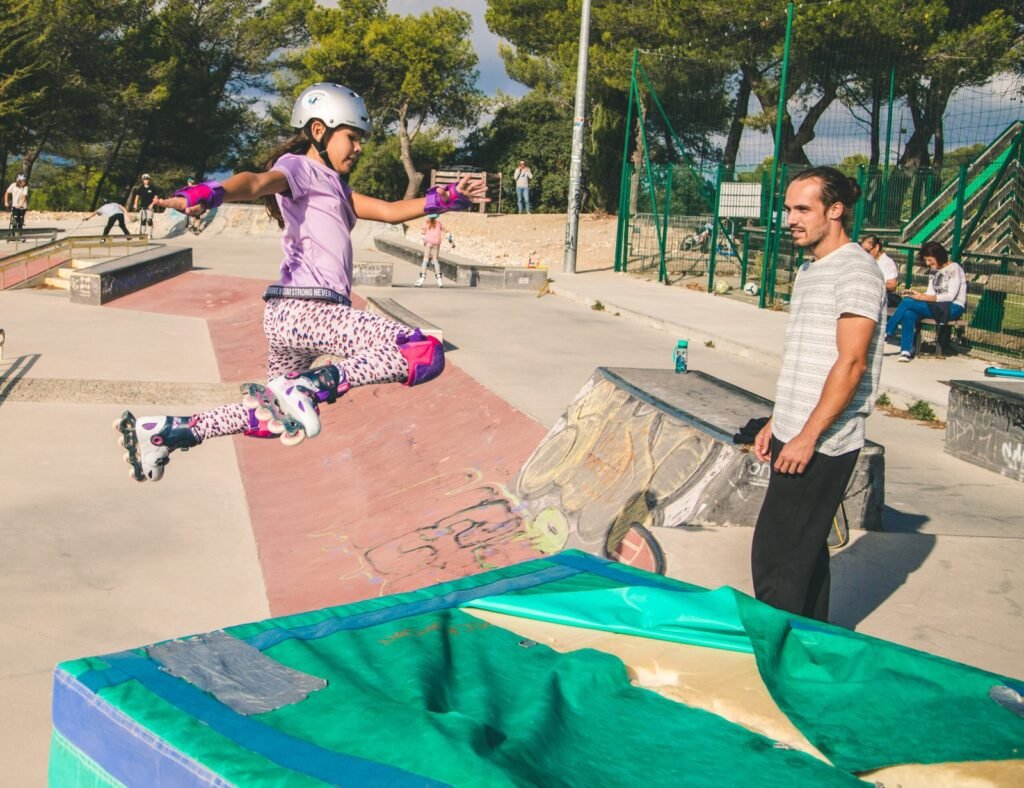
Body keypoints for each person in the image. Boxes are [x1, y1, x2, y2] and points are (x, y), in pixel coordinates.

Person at [115, 82, 488, 482]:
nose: (359, 148)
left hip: (285, 320)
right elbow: (256, 182)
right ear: (318, 131)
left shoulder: (339, 189)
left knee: (273, 414)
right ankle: (312, 386)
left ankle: (169, 432)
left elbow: (392, 211)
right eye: (351, 137)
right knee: (423, 352)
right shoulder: (298, 167)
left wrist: (447, 198)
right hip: (311, 309)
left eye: (361, 140)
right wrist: (214, 190)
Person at [752, 166, 885, 623]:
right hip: (796, 429)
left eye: (802, 209)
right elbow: (806, 359)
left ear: (835, 210)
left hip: (823, 442)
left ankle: (777, 658)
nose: (790, 218)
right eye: (787, 208)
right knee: (803, 556)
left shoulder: (855, 271)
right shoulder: (812, 271)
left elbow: (851, 363)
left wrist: (807, 436)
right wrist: (779, 419)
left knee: (777, 560)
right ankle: (813, 647)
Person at [885, 240, 966, 362]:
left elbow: (950, 296)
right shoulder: (934, 270)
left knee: (907, 303)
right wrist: (916, 294)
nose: (928, 264)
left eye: (930, 260)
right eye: (926, 260)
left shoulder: (954, 269)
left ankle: (887, 332)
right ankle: (906, 351)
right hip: (937, 306)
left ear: (939, 256)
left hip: (953, 307)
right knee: (908, 312)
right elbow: (930, 293)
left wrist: (924, 298)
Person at [860, 235, 900, 307]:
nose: (865, 254)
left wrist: (875, 285)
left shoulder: (888, 263)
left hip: (881, 295)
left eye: (867, 251)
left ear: (877, 247)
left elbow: (892, 285)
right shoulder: (863, 260)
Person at [417, 214, 448, 287]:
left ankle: (421, 279)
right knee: (435, 260)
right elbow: (446, 232)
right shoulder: (439, 223)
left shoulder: (426, 222)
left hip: (428, 243)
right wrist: (450, 241)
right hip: (436, 243)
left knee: (425, 260)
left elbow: (423, 234)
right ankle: (440, 281)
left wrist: (425, 242)